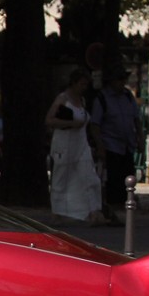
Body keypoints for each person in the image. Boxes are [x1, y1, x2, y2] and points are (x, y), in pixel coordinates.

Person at [45, 67, 103, 224]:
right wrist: (71, 123)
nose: (84, 88)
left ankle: (93, 211)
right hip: (64, 144)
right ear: (74, 83)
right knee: (61, 178)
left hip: (81, 144)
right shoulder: (63, 99)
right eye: (82, 84)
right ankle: (57, 211)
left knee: (89, 177)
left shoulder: (82, 101)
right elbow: (49, 120)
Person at [92, 66, 142, 223]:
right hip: (111, 145)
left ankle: (126, 207)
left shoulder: (127, 96)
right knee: (113, 180)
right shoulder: (102, 98)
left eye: (123, 79)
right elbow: (95, 124)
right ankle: (112, 210)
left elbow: (136, 119)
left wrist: (139, 138)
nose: (122, 83)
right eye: (119, 79)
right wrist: (100, 146)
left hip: (127, 145)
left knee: (128, 176)